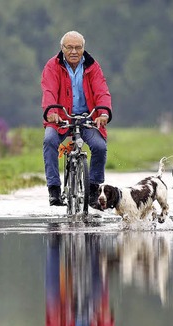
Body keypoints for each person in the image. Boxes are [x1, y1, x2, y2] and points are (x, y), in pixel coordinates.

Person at [41, 30, 112, 207]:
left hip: (88, 117)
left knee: (99, 147)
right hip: (60, 117)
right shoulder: (52, 65)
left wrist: (103, 113)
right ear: (62, 48)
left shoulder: (92, 66)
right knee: (49, 140)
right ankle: (54, 189)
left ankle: (94, 190)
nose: (74, 51)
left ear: (83, 49)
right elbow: (48, 90)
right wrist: (51, 111)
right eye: (70, 47)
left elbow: (101, 90)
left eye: (78, 48)